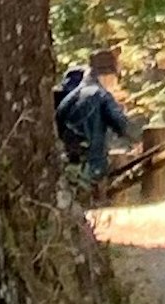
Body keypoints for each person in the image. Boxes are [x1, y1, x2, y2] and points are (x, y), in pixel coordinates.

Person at [54, 43, 142, 196]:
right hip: (90, 167)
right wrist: (140, 140)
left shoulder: (69, 98)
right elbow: (121, 124)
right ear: (108, 75)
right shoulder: (100, 95)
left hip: (66, 166)